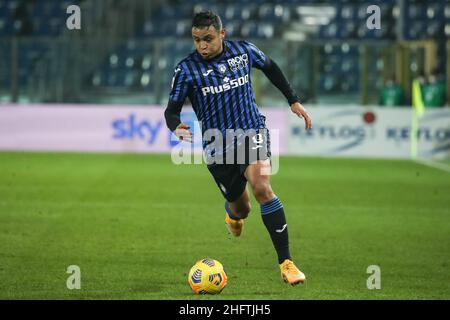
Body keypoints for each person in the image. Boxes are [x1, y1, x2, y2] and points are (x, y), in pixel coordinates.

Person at [164, 10, 312, 285]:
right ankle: (233, 216)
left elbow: (270, 67)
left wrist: (293, 99)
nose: (202, 46)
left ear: (222, 33)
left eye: (207, 38)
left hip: (251, 132)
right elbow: (171, 111)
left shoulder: (243, 52)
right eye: (196, 40)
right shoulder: (186, 70)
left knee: (262, 188)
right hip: (217, 147)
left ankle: (287, 263)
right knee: (242, 207)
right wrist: (175, 126)